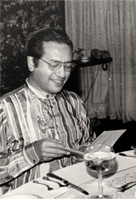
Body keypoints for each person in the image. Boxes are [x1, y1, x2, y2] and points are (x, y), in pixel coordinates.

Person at [0, 28, 95, 193]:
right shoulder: (5, 108)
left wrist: (88, 152)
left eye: (67, 66)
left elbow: (87, 144)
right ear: (31, 63)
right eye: (54, 65)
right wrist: (31, 153)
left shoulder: (74, 101)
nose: (62, 74)